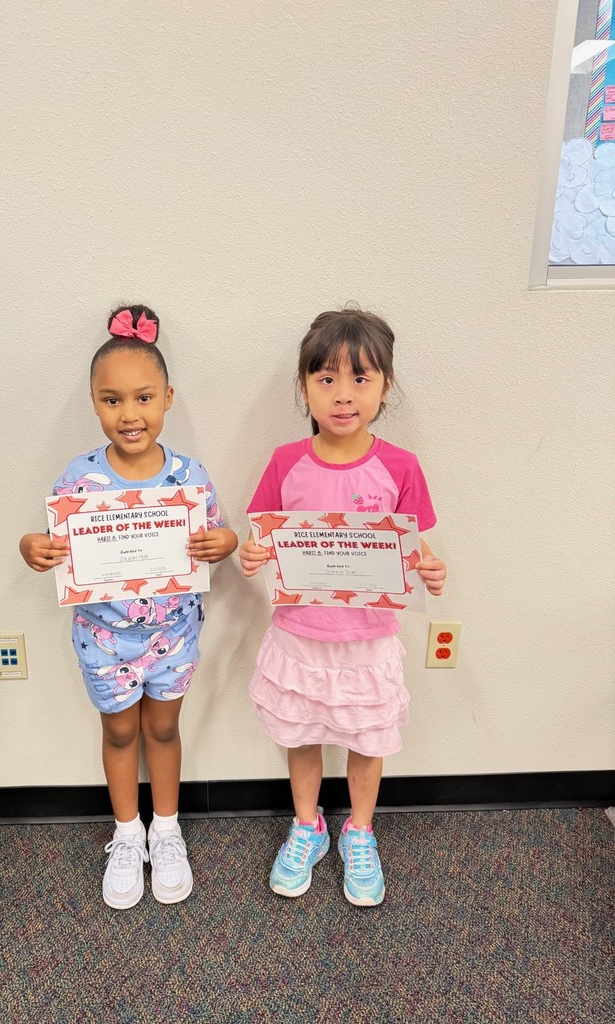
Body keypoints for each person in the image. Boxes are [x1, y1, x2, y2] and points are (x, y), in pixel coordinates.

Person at [20, 304, 237, 910]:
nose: (129, 413)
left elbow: (216, 537)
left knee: (163, 728)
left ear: (168, 397)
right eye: (112, 399)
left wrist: (227, 542)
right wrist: (30, 546)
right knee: (119, 732)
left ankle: (165, 830)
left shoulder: (190, 476)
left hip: (176, 632)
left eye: (143, 397)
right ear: (94, 403)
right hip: (105, 638)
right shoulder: (78, 477)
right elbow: (55, 545)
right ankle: (126, 833)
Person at [239, 307, 447, 906]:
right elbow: (265, 537)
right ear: (304, 386)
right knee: (301, 735)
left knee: (366, 739)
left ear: (386, 387)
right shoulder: (285, 462)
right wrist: (254, 557)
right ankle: (308, 825)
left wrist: (429, 567)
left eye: (361, 378)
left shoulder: (400, 466)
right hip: (299, 633)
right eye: (326, 378)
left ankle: (359, 831)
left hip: (367, 637)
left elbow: (413, 545)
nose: (343, 395)